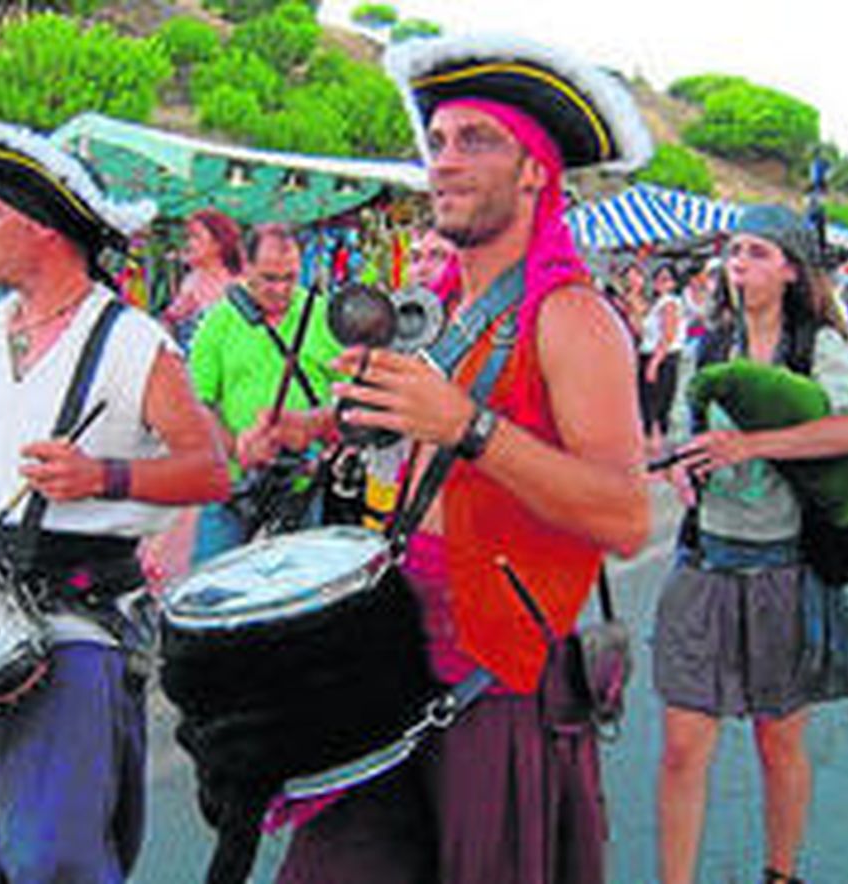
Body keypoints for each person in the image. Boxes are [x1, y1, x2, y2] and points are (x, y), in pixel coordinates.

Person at [248, 34, 654, 883]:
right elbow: (416, 448)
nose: (445, 162)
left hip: (496, 675)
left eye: (477, 141)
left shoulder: (573, 318)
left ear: (535, 171)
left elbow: (624, 516)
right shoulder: (429, 310)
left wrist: (469, 425)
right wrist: (316, 426)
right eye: (437, 142)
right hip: (391, 645)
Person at [0, 120, 229, 883]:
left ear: (42, 228)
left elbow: (209, 470)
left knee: (58, 853)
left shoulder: (135, 342)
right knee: (9, 833)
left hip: (84, 614)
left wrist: (105, 476)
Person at [654, 205, 848, 884]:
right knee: (680, 748)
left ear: (789, 269)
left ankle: (781, 876)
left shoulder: (815, 349)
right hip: (705, 562)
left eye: (757, 253)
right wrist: (680, 467)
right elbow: (680, 429)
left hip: (783, 571)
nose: (739, 265)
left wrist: (752, 444)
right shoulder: (708, 346)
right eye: (734, 252)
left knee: (777, 742)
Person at [186, 222, 345, 564]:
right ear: (246, 268)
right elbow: (199, 402)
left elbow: (348, 391)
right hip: (232, 487)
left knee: (298, 592)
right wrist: (237, 447)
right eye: (270, 278)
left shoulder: (322, 315)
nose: (282, 289)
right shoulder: (218, 322)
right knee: (213, 587)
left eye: (291, 277)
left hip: (301, 484)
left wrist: (325, 431)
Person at [162, 208, 244, 349]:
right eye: (188, 237)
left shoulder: (241, 283)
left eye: (196, 237)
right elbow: (170, 319)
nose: (189, 243)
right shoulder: (192, 281)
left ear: (218, 243)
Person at [640, 260, 687, 454]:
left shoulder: (670, 302)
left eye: (666, 279)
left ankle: (656, 446)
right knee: (651, 402)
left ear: (674, 282)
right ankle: (653, 444)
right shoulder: (659, 302)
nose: (661, 282)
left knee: (656, 402)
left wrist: (654, 362)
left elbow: (668, 335)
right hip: (652, 355)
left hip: (661, 357)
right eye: (658, 278)